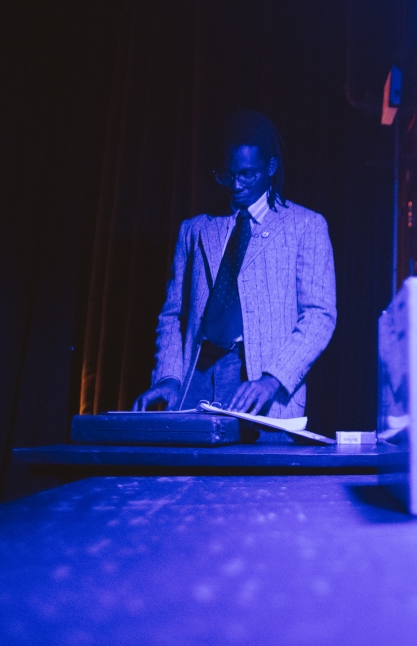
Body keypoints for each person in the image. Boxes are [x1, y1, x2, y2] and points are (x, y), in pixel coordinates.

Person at [133, 111, 336, 417]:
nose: (236, 185)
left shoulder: (306, 226)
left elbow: (319, 316)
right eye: (227, 175)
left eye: (247, 174)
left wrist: (272, 379)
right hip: (196, 379)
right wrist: (169, 378)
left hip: (263, 388)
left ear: (270, 167)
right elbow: (173, 314)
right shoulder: (196, 229)